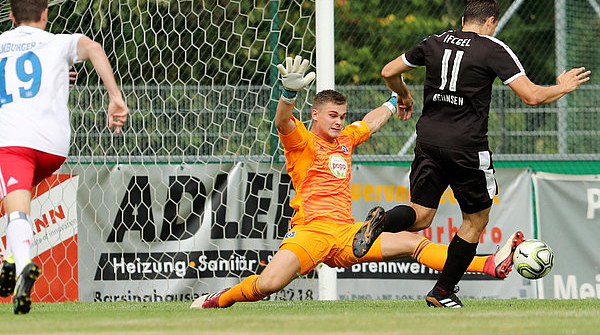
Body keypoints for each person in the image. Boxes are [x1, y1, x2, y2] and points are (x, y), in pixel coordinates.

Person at [190, 55, 523, 309]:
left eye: (342, 116)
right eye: (332, 116)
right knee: (268, 285)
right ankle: (220, 299)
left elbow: (369, 123)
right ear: (316, 115)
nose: (339, 122)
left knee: (411, 243)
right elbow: (282, 120)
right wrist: (288, 94)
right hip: (310, 232)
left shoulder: (346, 139)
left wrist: (395, 102)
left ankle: (488, 263)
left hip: (349, 234)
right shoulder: (303, 142)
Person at [353, 0, 590, 308]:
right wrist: (563, 87)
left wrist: (404, 97)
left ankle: (382, 222)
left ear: (463, 20)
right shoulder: (493, 49)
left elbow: (388, 71)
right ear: (491, 21)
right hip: (466, 148)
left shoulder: (434, 42)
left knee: (421, 215)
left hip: (428, 141)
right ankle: (442, 291)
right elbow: (531, 96)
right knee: (476, 220)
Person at [0, 0, 129, 314]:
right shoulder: (59, 43)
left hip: (13, 144)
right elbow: (96, 48)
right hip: (53, 148)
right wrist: (115, 97)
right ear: (45, 14)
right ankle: (10, 257)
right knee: (15, 198)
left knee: (16, 209)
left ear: (12, 15)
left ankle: (22, 265)